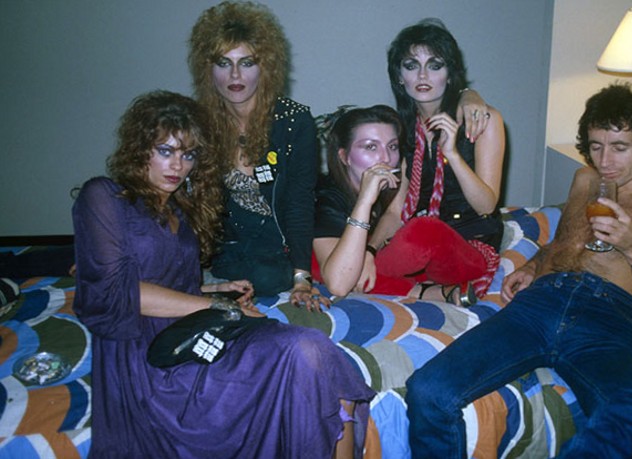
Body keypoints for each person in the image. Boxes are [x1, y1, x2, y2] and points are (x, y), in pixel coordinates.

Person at [72, 90, 374, 458]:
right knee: (301, 355)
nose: (177, 165)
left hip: (194, 332)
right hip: (149, 358)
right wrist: (216, 306)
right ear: (139, 149)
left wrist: (215, 289)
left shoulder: (180, 213)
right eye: (165, 150)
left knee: (316, 356)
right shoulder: (103, 195)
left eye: (188, 154)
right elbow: (114, 292)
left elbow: (169, 283)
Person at [405, 83, 632, 458]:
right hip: (538, 306)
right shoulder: (586, 180)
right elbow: (563, 241)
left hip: (605, 320)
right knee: (428, 389)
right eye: (595, 146)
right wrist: (532, 265)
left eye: (619, 147)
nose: (604, 160)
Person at [189, 1, 327, 310]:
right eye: (223, 63)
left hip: (277, 248)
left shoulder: (293, 121)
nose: (235, 74)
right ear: (207, 68)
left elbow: (299, 203)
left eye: (247, 62)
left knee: (266, 277)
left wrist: (302, 278)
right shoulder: (197, 123)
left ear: (265, 66)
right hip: (222, 247)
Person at [366, 19, 505, 303]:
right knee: (331, 250)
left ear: (450, 74)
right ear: (398, 76)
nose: (422, 75)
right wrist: (367, 251)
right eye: (411, 65)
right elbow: (395, 212)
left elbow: (487, 205)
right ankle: (432, 293)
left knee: (423, 230)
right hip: (420, 248)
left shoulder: (483, 119)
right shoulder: (405, 128)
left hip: (468, 244)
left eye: (435, 65)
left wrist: (452, 153)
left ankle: (358, 276)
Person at [312, 105, 495, 304]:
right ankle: (433, 293)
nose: (386, 158)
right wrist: (364, 202)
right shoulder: (326, 199)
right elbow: (338, 284)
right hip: (411, 275)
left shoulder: (397, 180)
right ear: (344, 156)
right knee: (319, 261)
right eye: (370, 147)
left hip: (450, 262)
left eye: (392, 146)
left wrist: (369, 252)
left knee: (423, 231)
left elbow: (395, 216)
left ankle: (424, 290)